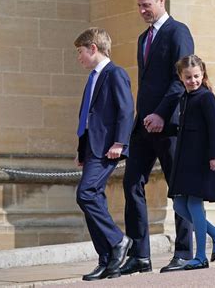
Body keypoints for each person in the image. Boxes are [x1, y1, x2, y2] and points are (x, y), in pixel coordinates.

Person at [121, 0, 194, 275]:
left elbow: (182, 79)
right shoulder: (142, 39)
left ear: (161, 1)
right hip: (144, 126)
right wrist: (142, 118)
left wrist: (162, 114)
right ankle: (140, 255)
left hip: (171, 124)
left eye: (146, 5)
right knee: (131, 183)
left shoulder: (178, 32)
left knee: (179, 189)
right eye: (139, 5)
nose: (141, 10)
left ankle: (184, 253)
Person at [74, 28, 135, 281]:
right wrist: (81, 149)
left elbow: (126, 109)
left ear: (93, 48)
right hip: (91, 147)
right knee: (94, 198)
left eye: (80, 52)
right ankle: (107, 259)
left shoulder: (115, 73)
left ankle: (119, 240)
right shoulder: (92, 78)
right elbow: (88, 116)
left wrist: (120, 142)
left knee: (85, 193)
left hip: (107, 147)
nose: (79, 58)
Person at [167, 54, 215, 270]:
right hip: (185, 159)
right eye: (188, 77)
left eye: (196, 76)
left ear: (202, 74)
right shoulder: (184, 97)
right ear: (181, 77)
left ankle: (200, 256)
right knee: (178, 204)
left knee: (194, 204)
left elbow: (214, 128)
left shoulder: (206, 97)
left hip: (202, 158)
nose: (192, 80)